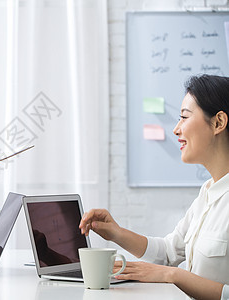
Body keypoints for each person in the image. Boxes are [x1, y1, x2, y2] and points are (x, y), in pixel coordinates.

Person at [80, 74, 229, 300]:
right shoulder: (208, 192)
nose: (176, 129)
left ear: (218, 123)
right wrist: (117, 233)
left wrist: (173, 275)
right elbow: (170, 251)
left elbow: (171, 268)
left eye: (184, 117)